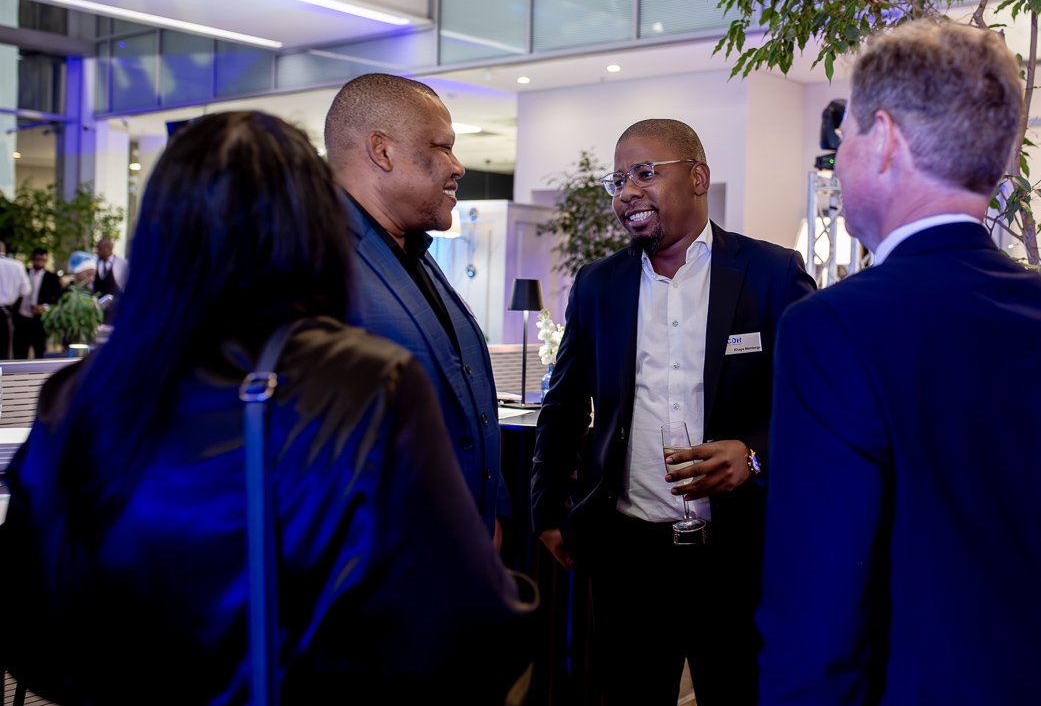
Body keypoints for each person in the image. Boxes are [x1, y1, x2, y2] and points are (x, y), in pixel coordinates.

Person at [0, 111, 532, 704]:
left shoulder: (75, 393)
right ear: (313, 224)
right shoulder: (364, 381)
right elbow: (461, 633)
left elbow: (28, 626)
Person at [759, 19, 1041, 705]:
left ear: (885, 139)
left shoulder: (832, 329)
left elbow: (815, 628)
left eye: (846, 136)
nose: (839, 159)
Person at [531, 118, 816, 704]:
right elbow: (563, 405)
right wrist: (548, 510)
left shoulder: (771, 274)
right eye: (618, 181)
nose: (627, 193)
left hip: (737, 553)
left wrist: (754, 454)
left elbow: (815, 399)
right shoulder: (598, 285)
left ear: (698, 178)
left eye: (645, 173)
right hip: (628, 555)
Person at [324, 73, 507, 542]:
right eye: (442, 147)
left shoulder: (416, 252)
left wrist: (492, 510)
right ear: (382, 151)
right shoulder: (317, 262)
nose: (458, 166)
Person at [14, 247, 63, 359]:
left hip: (40, 322)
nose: (40, 262)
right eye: (37, 259)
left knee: (39, 353)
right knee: (19, 353)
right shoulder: (24, 273)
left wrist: (44, 307)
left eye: (42, 260)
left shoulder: (52, 278)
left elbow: (57, 299)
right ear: (32, 259)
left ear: (46, 261)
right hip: (22, 319)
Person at [0, 241, 32, 358]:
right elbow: (26, 290)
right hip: (6, 313)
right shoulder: (17, 265)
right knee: (4, 352)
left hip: (5, 312)